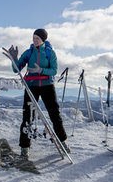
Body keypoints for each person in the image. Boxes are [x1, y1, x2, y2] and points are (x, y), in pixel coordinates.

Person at [8, 29, 70, 159]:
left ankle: (62, 141)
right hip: (31, 86)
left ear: (43, 39)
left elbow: (53, 70)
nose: (34, 40)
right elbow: (16, 69)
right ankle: (25, 147)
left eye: (37, 38)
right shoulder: (29, 52)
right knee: (27, 116)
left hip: (47, 85)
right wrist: (14, 59)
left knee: (54, 114)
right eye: (33, 37)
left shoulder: (49, 53)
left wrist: (41, 70)